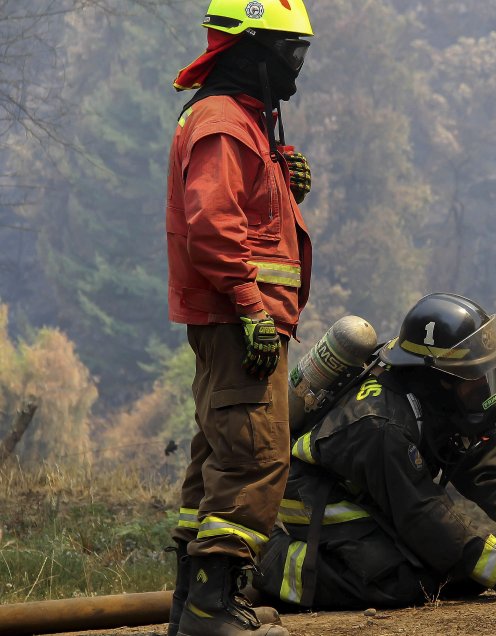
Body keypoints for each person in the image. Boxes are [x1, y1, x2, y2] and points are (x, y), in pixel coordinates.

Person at [252, 293, 496, 609]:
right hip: (317, 493)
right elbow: (427, 520)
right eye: (473, 375)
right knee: (405, 580)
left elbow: (485, 467)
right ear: (440, 376)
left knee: (450, 571)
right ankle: (265, 565)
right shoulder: (382, 425)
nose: (483, 384)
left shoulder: (434, 397)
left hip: (377, 489)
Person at [165, 1, 314, 634]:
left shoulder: (244, 123)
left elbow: (243, 214)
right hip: (239, 323)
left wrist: (281, 179)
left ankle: (192, 604)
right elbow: (213, 224)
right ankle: (210, 609)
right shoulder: (225, 123)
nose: (298, 66)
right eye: (290, 51)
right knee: (254, 458)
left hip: (240, 322)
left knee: (220, 454)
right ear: (250, 51)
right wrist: (252, 308)